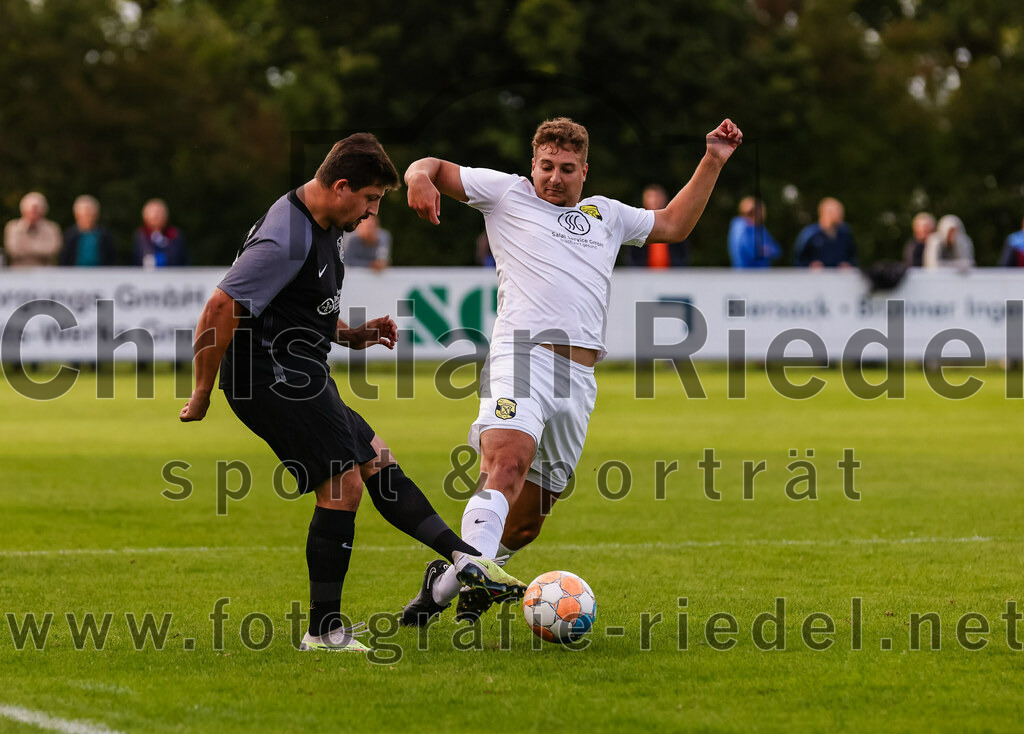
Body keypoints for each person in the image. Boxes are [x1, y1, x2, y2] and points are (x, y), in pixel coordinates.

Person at [179, 133, 524, 651]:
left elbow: (297, 303)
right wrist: (202, 390)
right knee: (343, 487)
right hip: (268, 375)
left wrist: (350, 334)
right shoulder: (287, 236)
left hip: (300, 370)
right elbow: (220, 308)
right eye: (369, 200)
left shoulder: (322, 221)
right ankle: (324, 632)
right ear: (341, 187)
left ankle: (464, 560)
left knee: (377, 461)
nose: (370, 214)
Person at [399, 117, 743, 625]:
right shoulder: (505, 194)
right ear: (531, 165)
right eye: (545, 167)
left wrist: (713, 159)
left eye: (565, 169)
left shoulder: (605, 214)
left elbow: (673, 224)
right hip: (522, 355)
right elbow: (431, 165)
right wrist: (417, 178)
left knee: (525, 526)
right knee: (508, 462)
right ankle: (474, 564)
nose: (553, 178)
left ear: (585, 171)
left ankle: (445, 585)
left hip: (578, 378)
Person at [622, 184, 691, 267]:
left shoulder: (674, 224)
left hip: (673, 276)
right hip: (643, 277)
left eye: (657, 196)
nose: (654, 200)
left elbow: (683, 254)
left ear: (664, 199)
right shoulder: (637, 226)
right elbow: (631, 257)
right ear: (644, 200)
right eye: (650, 197)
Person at [793, 197, 857, 269]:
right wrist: (809, 266)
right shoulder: (810, 234)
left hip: (840, 279)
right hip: (815, 279)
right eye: (837, 212)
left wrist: (848, 264)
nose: (841, 215)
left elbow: (852, 257)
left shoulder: (845, 233)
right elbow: (798, 261)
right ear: (826, 213)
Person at [3, 192, 62, 267]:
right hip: (18, 273)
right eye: (30, 211)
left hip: (46, 273)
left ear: (43, 211)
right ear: (23, 210)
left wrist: (25, 246)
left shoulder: (52, 228)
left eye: (36, 211)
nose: (33, 214)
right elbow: (13, 250)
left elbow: (53, 250)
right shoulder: (13, 227)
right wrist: (41, 247)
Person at [61, 195, 116, 267]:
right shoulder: (69, 235)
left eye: (90, 215)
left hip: (101, 275)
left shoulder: (104, 235)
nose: (88, 218)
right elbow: (65, 259)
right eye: (85, 215)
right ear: (77, 215)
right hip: (75, 275)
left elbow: (111, 259)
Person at [727, 196, 781, 268]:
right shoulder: (740, 228)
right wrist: (763, 251)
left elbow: (777, 250)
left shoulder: (760, 228)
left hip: (761, 273)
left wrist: (768, 251)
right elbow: (747, 251)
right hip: (745, 273)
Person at [133, 198, 187, 267]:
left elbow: (182, 260)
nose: (156, 216)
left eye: (159, 213)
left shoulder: (174, 234)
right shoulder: (141, 235)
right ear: (145, 217)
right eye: (153, 214)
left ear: (165, 216)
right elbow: (137, 261)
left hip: (172, 275)